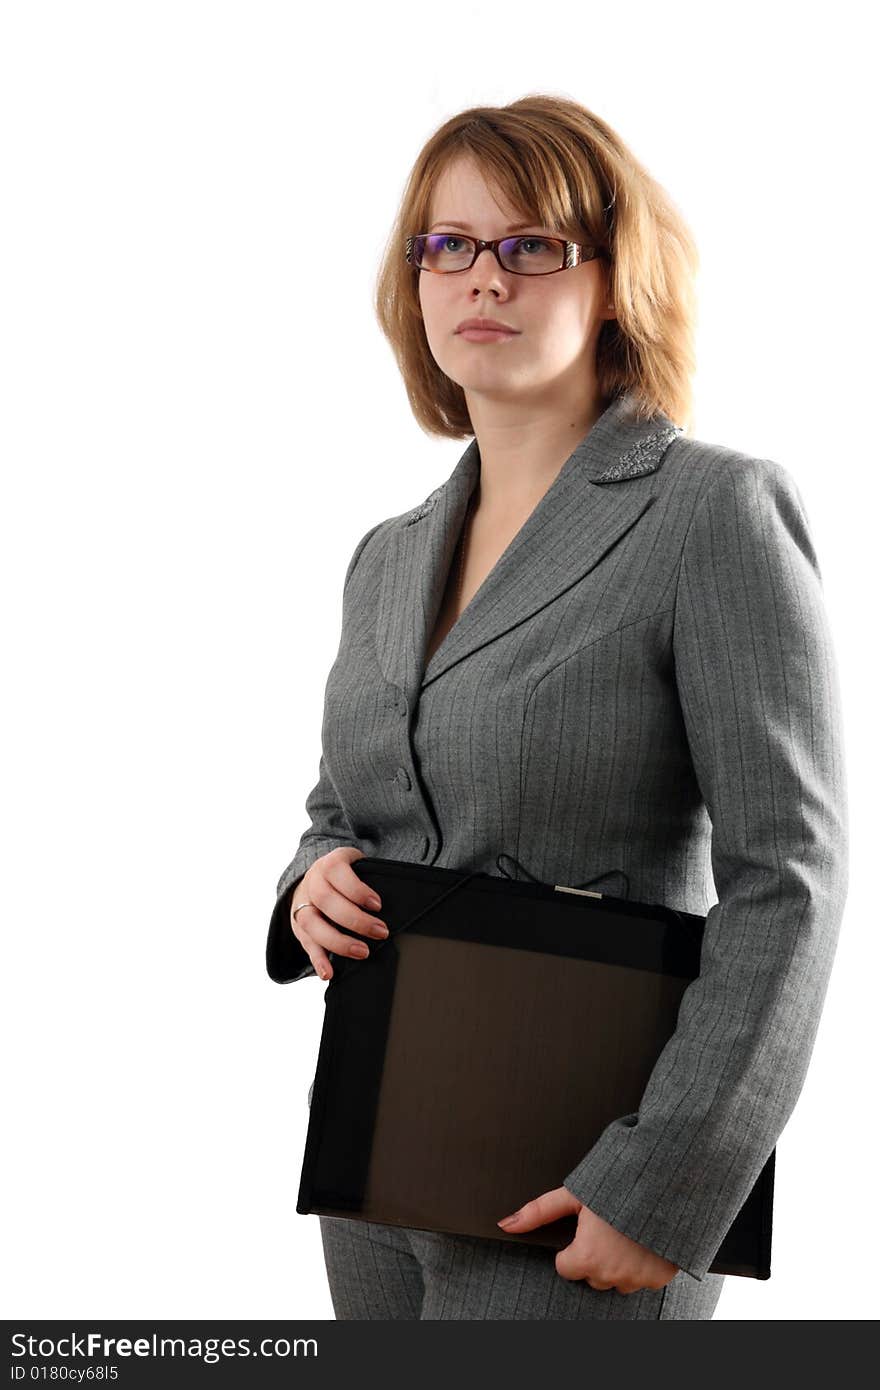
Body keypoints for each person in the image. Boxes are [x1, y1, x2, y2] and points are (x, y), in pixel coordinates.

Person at [265, 95, 848, 1320]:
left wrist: (670, 1183)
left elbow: (788, 877)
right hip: (376, 1157)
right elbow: (347, 804)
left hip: (585, 1178)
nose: (485, 276)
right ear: (414, 281)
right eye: (450, 245)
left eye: (532, 245)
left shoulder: (711, 513)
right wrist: (310, 875)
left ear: (612, 277)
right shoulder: (387, 553)